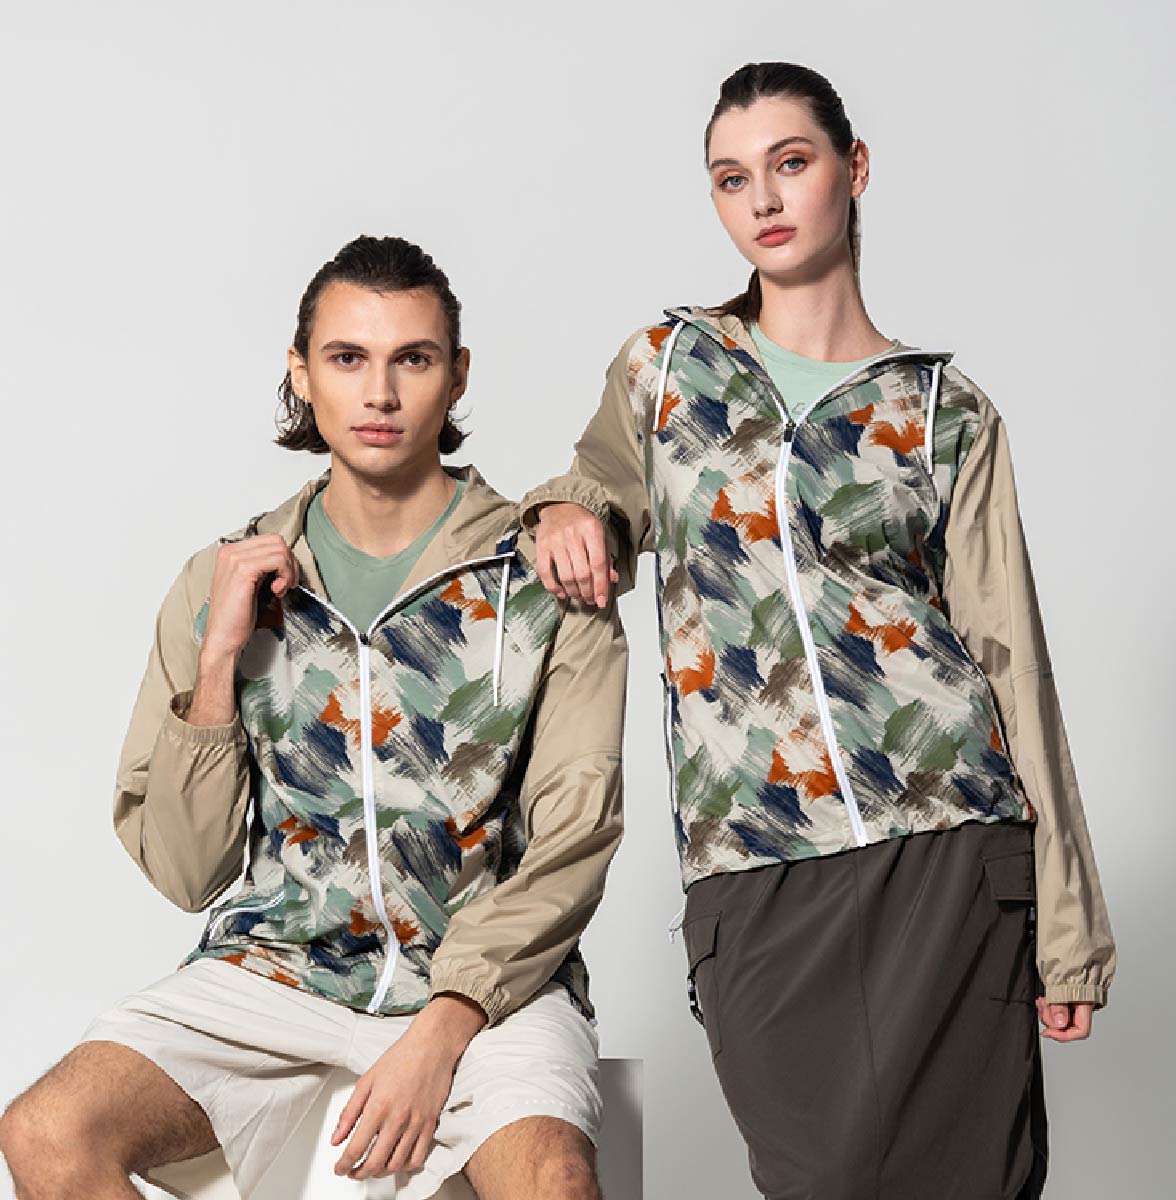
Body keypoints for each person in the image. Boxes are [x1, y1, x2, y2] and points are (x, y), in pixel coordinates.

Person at [519, 62, 1116, 1199]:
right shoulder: (666, 367)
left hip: (945, 839)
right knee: (818, 1177)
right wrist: (561, 509)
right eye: (730, 178)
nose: (764, 199)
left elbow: (1012, 664)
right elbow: (596, 489)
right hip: (753, 851)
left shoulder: (943, 411)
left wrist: (1069, 928)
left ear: (855, 169)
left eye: (790, 163)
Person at [0, 235, 627, 1200]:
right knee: (45, 1133)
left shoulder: (543, 576)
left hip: (490, 988)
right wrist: (218, 660)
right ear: (301, 372)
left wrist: (445, 1025)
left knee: (556, 1182)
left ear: (457, 375)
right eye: (346, 358)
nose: (379, 393)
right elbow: (186, 871)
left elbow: (575, 836)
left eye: (412, 359)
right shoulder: (224, 577)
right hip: (277, 968)